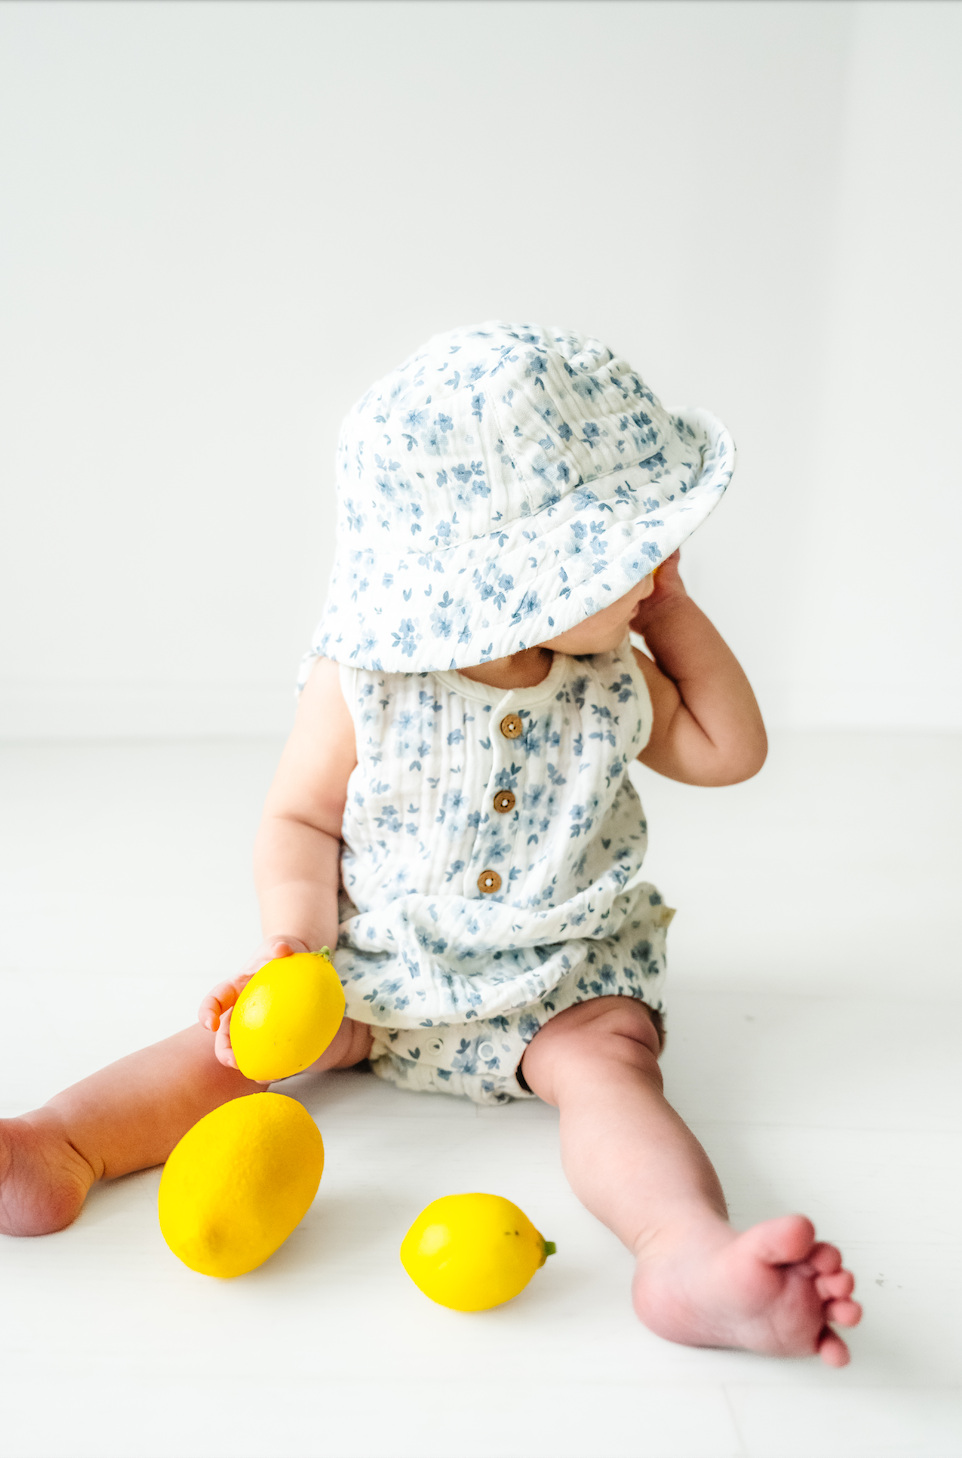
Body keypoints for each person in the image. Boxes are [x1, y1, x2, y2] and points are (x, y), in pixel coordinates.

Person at [0, 323, 860, 1364]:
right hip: (385, 962)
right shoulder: (362, 679)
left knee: (609, 1075)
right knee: (238, 1052)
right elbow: (300, 818)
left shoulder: (614, 677)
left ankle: (681, 1253)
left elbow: (730, 750)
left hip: (564, 977)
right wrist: (295, 944)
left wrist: (668, 610)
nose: (661, 566)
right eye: (635, 552)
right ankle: (64, 1140)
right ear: (523, 577)